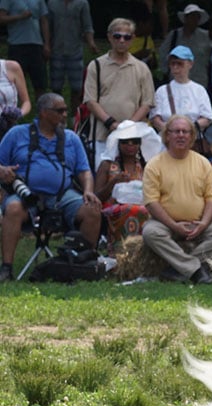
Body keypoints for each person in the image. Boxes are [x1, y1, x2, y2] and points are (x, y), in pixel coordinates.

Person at [0, 93, 101, 281]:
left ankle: (83, 265)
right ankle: (6, 268)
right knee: (13, 208)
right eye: (60, 111)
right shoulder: (17, 134)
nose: (65, 114)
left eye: (65, 110)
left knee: (92, 210)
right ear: (44, 113)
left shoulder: (71, 138)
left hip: (62, 197)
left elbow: (85, 171)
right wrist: (3, 170)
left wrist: (88, 191)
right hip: (26, 196)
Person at [141, 114, 212, 284]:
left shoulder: (203, 163)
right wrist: (174, 225)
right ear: (167, 135)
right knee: (150, 232)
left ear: (192, 137)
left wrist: (203, 224)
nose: (181, 135)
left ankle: (178, 269)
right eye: (176, 131)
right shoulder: (154, 164)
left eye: (185, 132)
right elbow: (151, 202)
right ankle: (196, 270)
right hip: (166, 225)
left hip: (197, 224)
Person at [83, 18, 156, 160]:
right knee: (103, 176)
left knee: (133, 178)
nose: (122, 40)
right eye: (117, 36)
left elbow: (147, 103)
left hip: (134, 137)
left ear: (133, 38)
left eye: (127, 37)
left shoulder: (141, 68)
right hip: (102, 135)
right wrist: (110, 123)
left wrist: (128, 126)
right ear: (109, 37)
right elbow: (90, 101)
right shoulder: (96, 65)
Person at [95, 120, 161, 243]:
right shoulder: (107, 165)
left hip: (143, 205)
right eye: (125, 142)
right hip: (113, 209)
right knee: (137, 211)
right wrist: (113, 182)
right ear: (118, 143)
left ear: (140, 144)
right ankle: (122, 249)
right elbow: (97, 197)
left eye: (135, 141)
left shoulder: (146, 166)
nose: (130, 145)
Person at [150, 46, 212, 139]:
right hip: (167, 142)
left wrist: (187, 129)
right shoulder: (162, 91)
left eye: (180, 63)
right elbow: (155, 118)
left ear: (190, 64)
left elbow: (207, 118)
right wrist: (170, 131)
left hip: (192, 140)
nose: (175, 67)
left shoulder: (199, 90)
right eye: (172, 64)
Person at [46, 0, 99, 112]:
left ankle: (75, 116)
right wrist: (47, 45)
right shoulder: (52, 3)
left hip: (75, 50)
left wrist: (91, 43)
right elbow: (47, 26)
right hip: (56, 50)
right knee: (56, 87)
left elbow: (87, 26)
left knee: (77, 87)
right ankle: (57, 112)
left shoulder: (82, 3)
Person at [0, 0, 48, 96]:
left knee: (40, 84)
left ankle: (41, 109)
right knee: (15, 83)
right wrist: (20, 17)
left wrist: (46, 43)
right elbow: (1, 18)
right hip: (17, 45)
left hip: (36, 45)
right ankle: (16, 109)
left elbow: (44, 20)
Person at [158, 3, 211, 85]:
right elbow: (162, 53)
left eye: (197, 17)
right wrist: (167, 71)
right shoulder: (174, 35)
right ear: (186, 18)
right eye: (192, 16)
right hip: (177, 81)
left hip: (200, 81)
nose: (195, 19)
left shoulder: (206, 36)